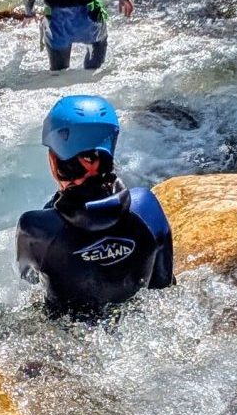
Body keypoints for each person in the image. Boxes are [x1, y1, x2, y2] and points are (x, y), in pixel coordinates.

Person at [16, 95, 174, 317]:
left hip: (66, 342)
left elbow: (27, 286)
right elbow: (165, 287)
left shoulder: (36, 228)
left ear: (53, 160)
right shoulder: (146, 208)